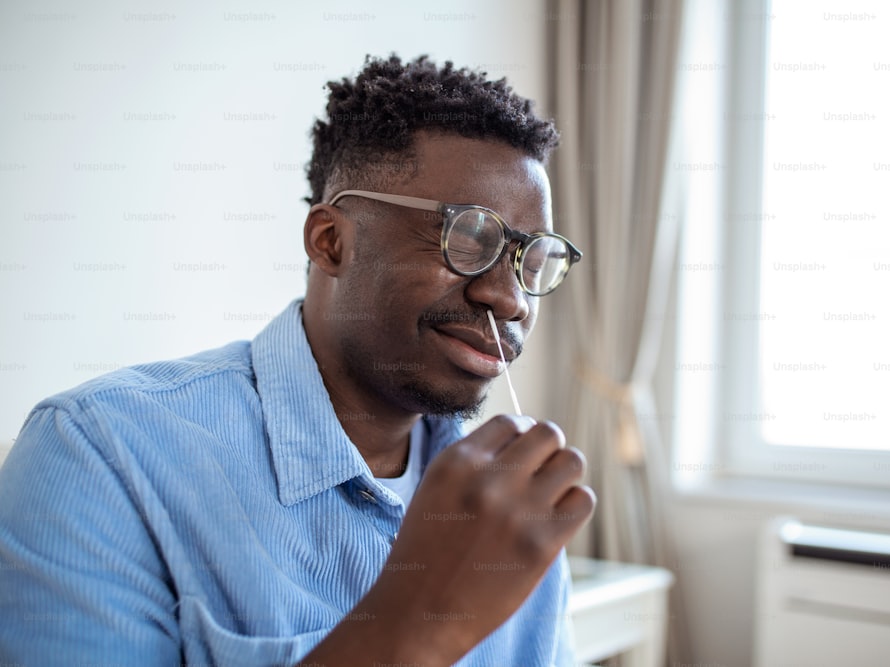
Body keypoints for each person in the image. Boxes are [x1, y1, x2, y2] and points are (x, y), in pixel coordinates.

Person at [0, 54, 594, 666]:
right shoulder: (99, 455)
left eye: (532, 259)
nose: (510, 299)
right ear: (331, 241)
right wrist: (418, 627)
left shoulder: (506, 495)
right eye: (468, 237)